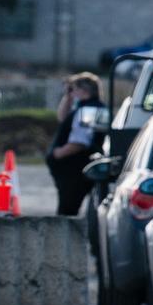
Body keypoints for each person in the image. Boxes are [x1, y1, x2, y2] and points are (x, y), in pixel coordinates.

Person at [46, 72, 103, 216]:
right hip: (82, 166)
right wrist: (68, 97)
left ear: (84, 91)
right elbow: (62, 117)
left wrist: (57, 154)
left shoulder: (87, 111)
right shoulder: (91, 108)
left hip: (74, 168)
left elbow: (80, 142)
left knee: (67, 212)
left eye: (74, 89)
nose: (72, 93)